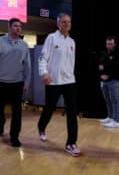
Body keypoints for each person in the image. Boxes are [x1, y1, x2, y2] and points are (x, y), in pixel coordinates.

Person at [38, 13, 81, 156]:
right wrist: (44, 73)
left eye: (69, 22)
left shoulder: (72, 42)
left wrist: (72, 77)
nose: (67, 24)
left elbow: (70, 63)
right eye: (64, 22)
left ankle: (71, 143)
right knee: (49, 109)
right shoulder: (51, 38)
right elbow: (43, 57)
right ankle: (41, 127)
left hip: (69, 82)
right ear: (58, 24)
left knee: (72, 113)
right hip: (53, 81)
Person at [0, 18, 31, 147]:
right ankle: (1, 122)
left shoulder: (24, 45)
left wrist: (27, 83)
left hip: (17, 83)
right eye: (15, 26)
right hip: (0, 82)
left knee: (17, 111)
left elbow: (28, 66)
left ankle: (14, 136)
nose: (18, 28)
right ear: (9, 27)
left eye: (20, 26)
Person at [98, 36, 119, 128]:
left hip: (114, 80)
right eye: (107, 44)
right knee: (107, 100)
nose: (109, 46)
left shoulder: (118, 54)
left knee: (115, 100)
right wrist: (101, 72)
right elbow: (101, 65)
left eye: (111, 44)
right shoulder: (104, 53)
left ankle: (116, 121)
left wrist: (108, 74)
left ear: (115, 44)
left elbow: (117, 68)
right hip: (104, 81)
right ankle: (110, 117)